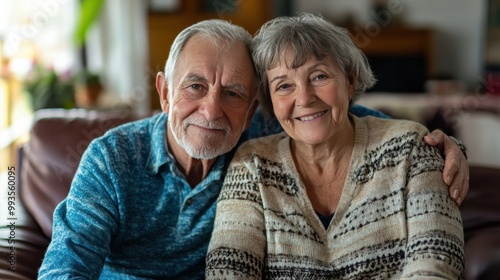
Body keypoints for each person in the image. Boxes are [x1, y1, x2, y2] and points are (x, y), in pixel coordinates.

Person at [38, 19, 467, 279]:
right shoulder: (111, 160)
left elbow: (338, 113)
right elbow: (66, 266)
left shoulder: (259, 134)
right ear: (164, 92)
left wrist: (441, 143)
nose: (211, 109)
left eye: (232, 92)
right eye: (195, 86)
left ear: (252, 108)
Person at [206, 14, 464, 279]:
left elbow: (436, 265)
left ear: (350, 81)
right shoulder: (251, 165)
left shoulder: (411, 151)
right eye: (284, 85)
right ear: (270, 101)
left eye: (319, 76)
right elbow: (228, 270)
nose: (304, 98)